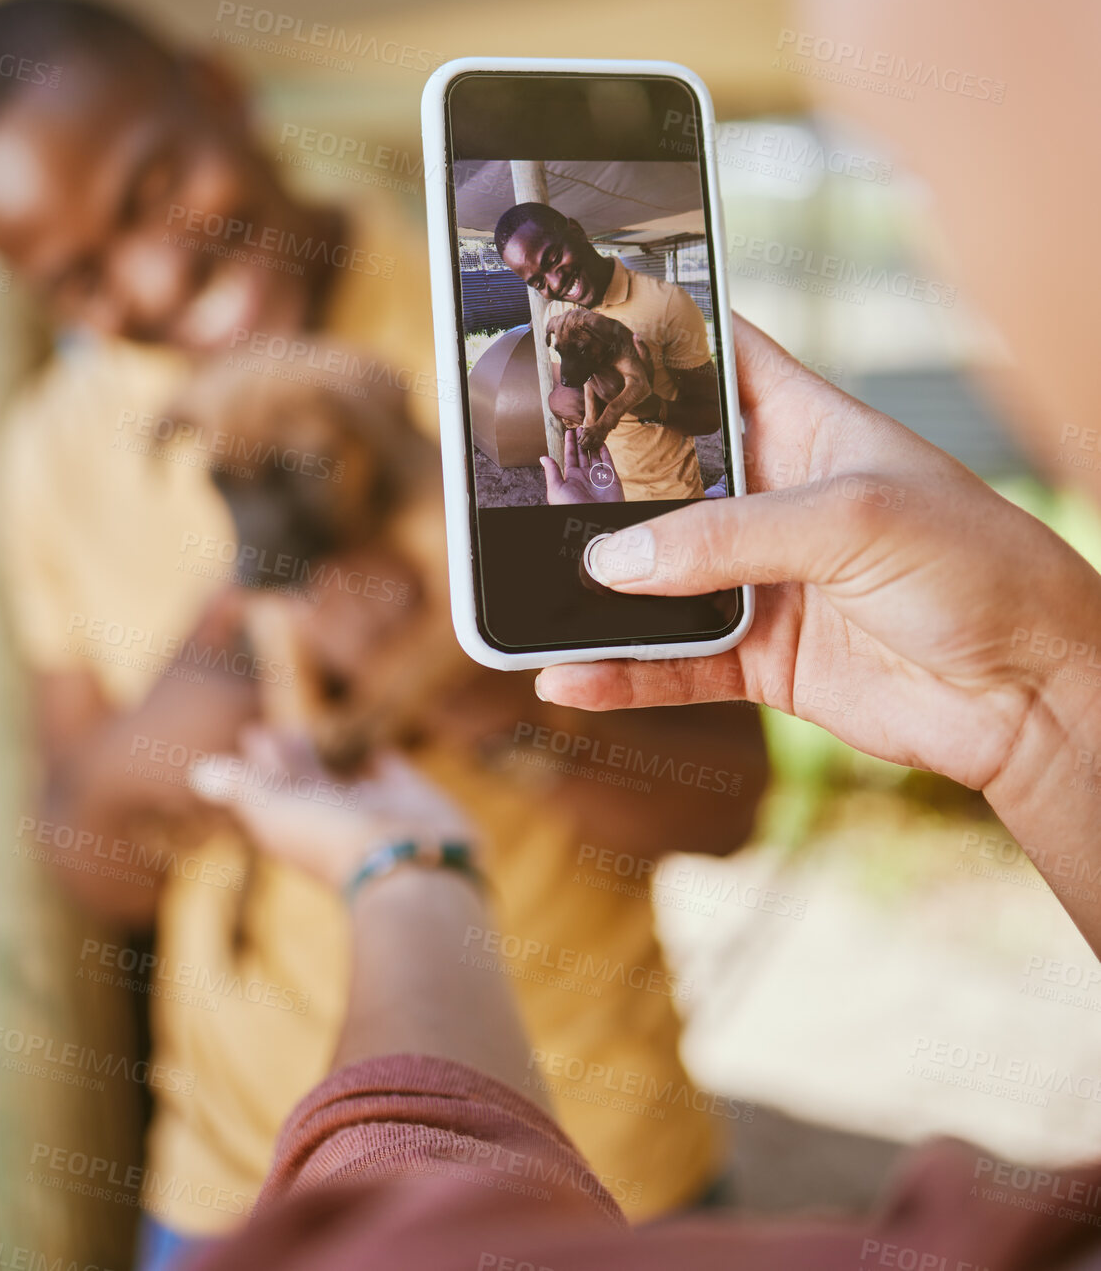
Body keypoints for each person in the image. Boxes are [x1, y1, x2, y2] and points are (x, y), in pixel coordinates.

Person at [0, 0, 769, 1261]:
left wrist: (467, 680)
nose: (156, 272)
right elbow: (91, 862)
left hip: (590, 1164)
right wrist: (233, 653)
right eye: (79, 277)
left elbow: (721, 795)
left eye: (154, 184)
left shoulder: (519, 329)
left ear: (218, 89)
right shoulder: (51, 453)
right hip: (237, 1189)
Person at [187, 315, 1101, 1265]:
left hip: (605, 1095)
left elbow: (422, 1193)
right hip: (257, 1102)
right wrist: (1041, 705)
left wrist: (401, 850)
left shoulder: (436, 379)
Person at [495, 201, 721, 500]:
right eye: (538, 281)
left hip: (666, 492)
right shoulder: (557, 312)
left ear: (575, 231)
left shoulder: (670, 304)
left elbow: (712, 415)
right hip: (597, 489)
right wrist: (557, 400)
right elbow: (565, 384)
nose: (555, 282)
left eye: (552, 257)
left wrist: (650, 407)